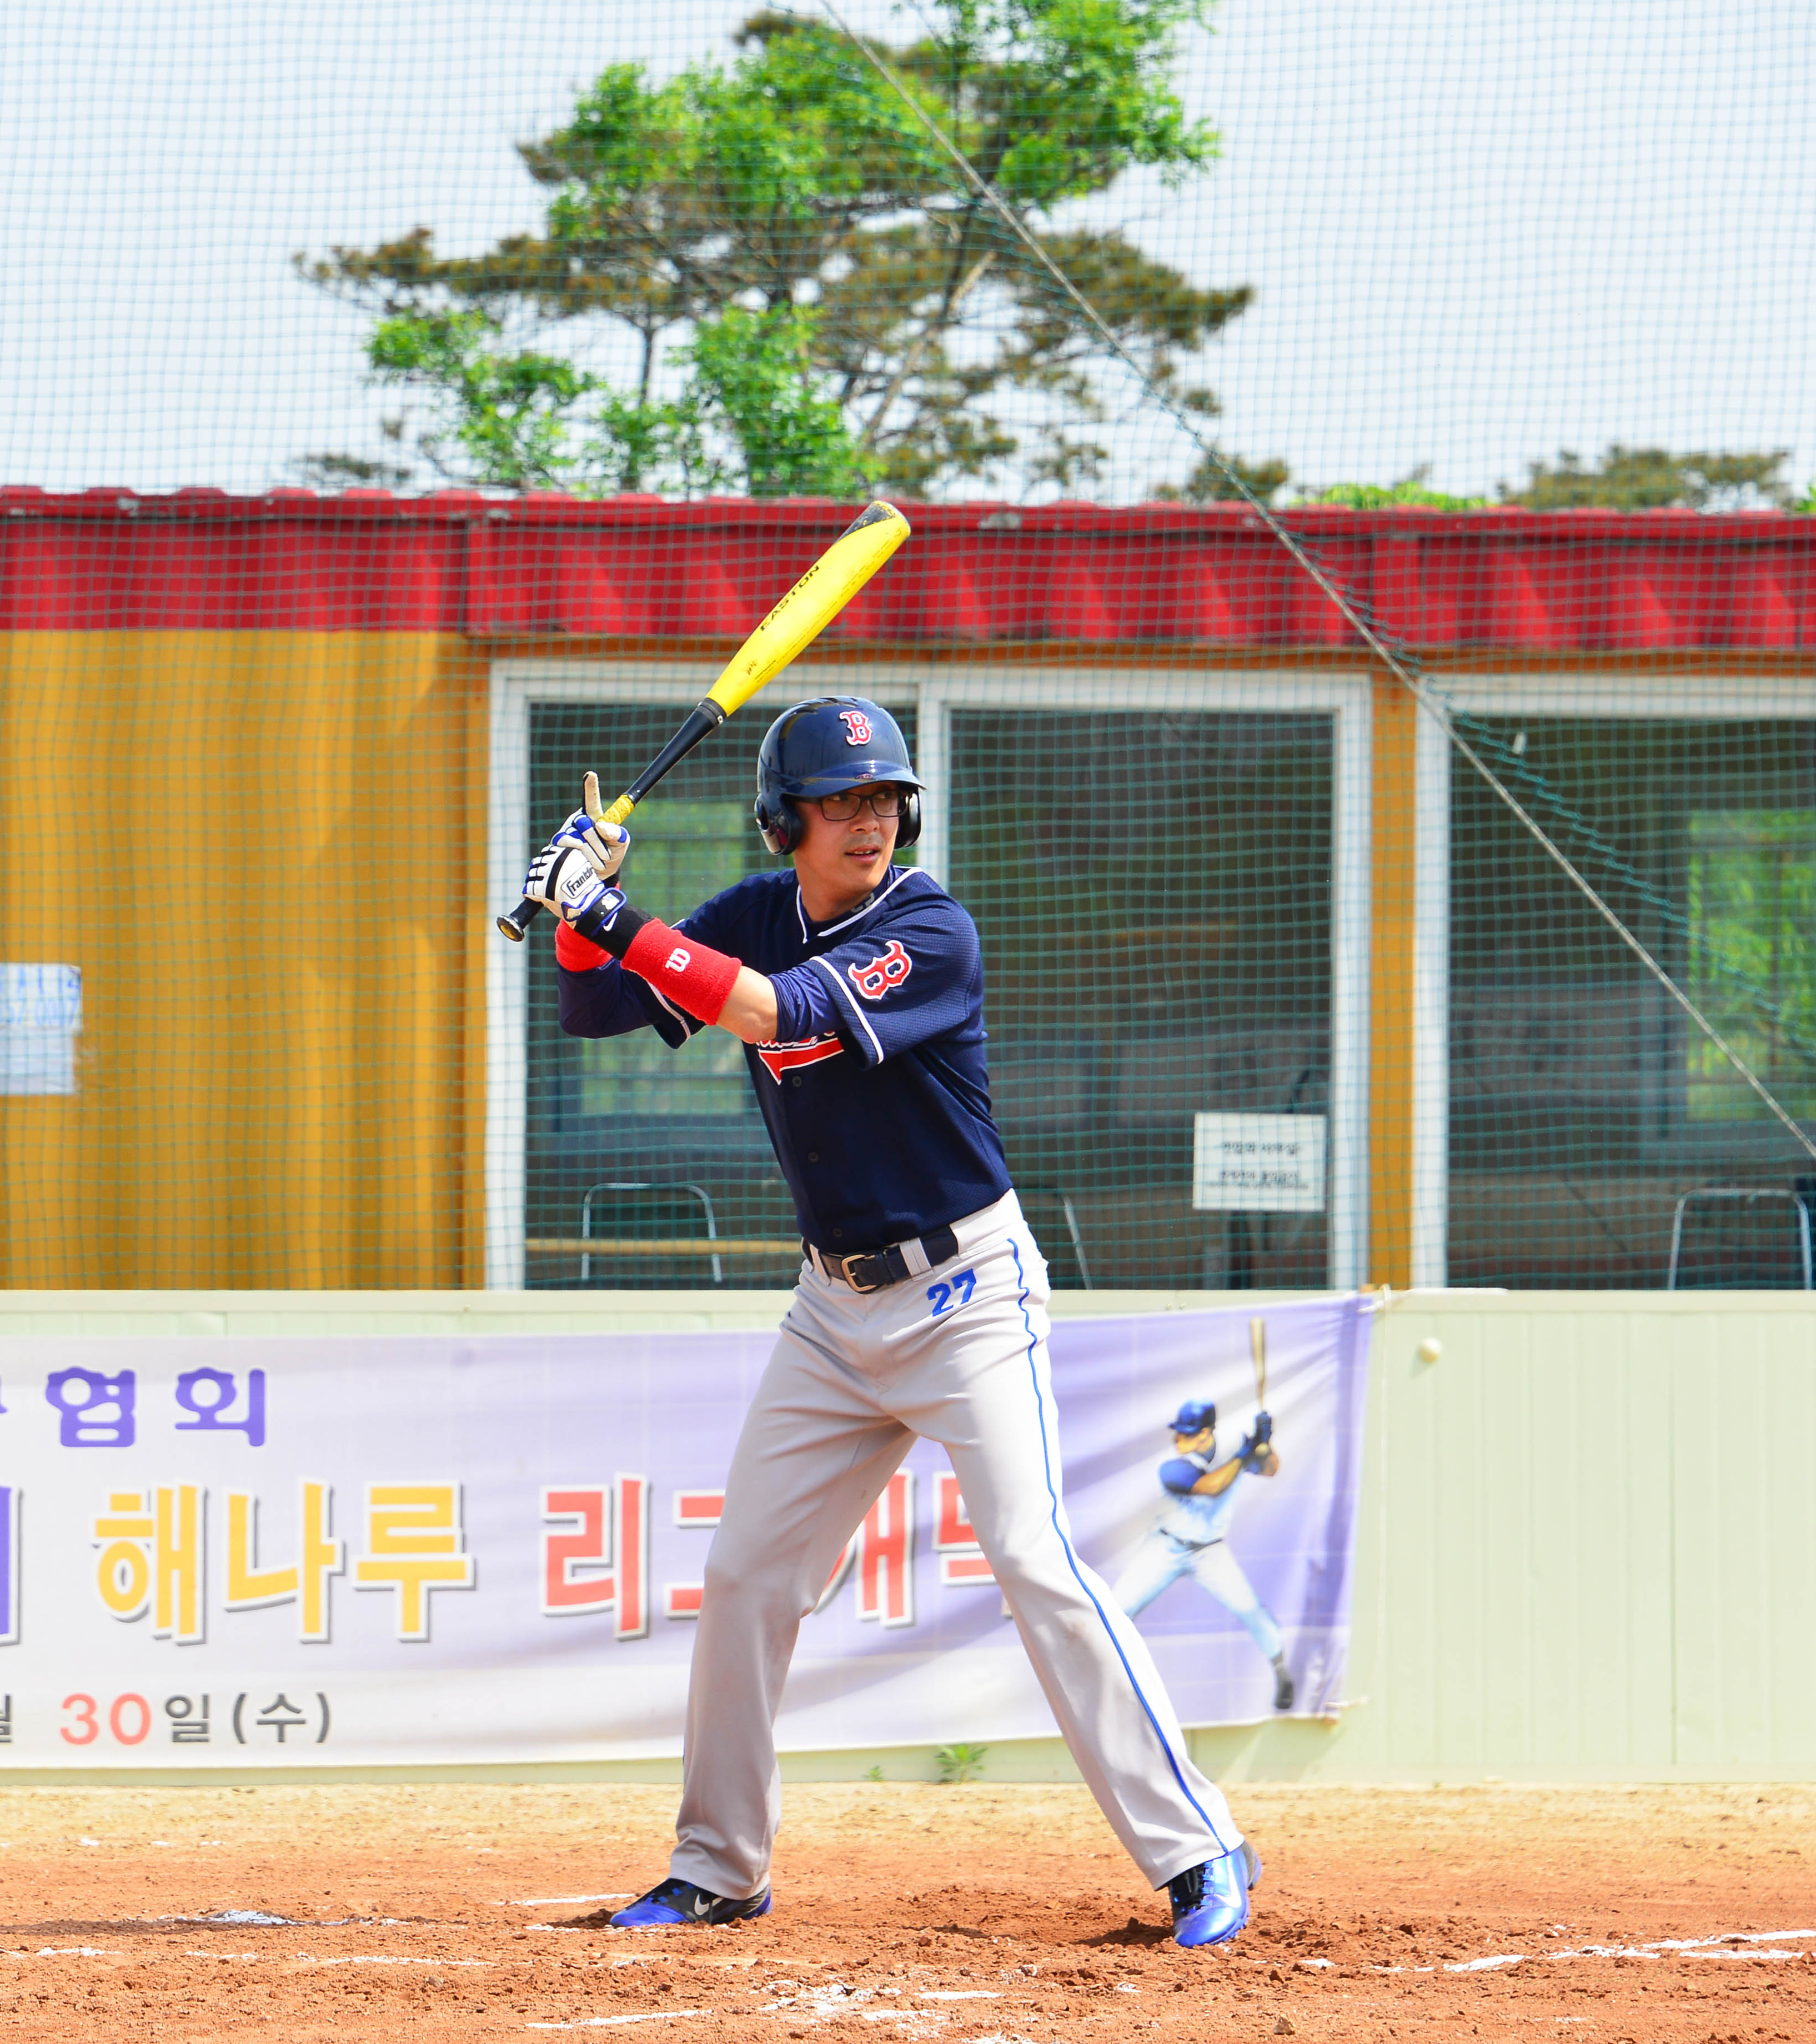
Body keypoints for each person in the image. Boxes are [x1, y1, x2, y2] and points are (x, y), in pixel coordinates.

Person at [524, 694, 1261, 1947]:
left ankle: (1199, 1848)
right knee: (749, 1575)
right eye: (839, 802)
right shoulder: (758, 912)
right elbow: (599, 1013)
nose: (868, 821)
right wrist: (577, 920)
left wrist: (606, 913)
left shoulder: (930, 925)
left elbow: (783, 1018)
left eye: (882, 799)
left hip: (968, 1295)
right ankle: (719, 1866)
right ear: (783, 822)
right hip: (831, 1307)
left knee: (1036, 1559)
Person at [1113, 1401, 1295, 1712]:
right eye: (1179, 1433)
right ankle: (1111, 1684)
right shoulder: (1171, 1464)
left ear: (1205, 1434)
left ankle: (1282, 1673)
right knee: (1117, 1611)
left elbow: (1270, 1469)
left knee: (1251, 1609)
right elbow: (1211, 1486)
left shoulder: (1234, 1445)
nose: (1178, 1440)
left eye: (1187, 1434)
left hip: (1210, 1550)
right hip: (1166, 1547)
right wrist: (1246, 1452)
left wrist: (1264, 1445)